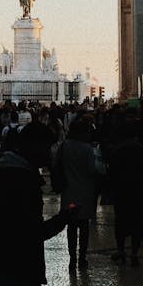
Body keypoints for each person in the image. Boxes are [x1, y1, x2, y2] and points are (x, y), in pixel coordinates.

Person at [0, 121, 71, 286]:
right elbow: (31, 232)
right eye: (47, 148)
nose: (49, 154)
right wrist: (63, 219)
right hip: (19, 271)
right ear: (35, 146)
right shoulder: (24, 181)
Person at [51, 117, 100, 273]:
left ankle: (72, 258)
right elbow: (92, 170)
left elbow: (55, 165)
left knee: (71, 226)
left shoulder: (64, 146)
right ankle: (82, 257)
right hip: (85, 192)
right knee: (84, 226)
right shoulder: (87, 149)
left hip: (68, 191)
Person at [107, 115, 143, 267]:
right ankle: (134, 252)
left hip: (122, 192)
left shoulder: (116, 152)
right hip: (139, 192)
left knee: (120, 220)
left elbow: (111, 173)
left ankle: (121, 250)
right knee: (138, 221)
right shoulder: (142, 151)